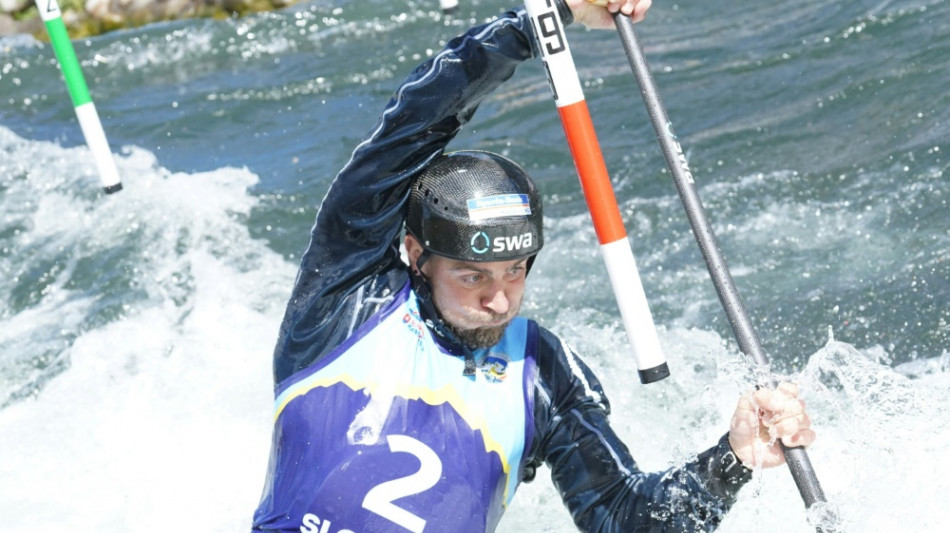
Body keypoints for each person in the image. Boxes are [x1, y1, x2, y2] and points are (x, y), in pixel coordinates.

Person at [251, 1, 816, 531]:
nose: (500, 300)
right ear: (417, 255)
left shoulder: (542, 372)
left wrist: (734, 457)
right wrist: (546, 19)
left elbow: (622, 517)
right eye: (473, 276)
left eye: (515, 271)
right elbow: (416, 119)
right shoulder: (343, 303)